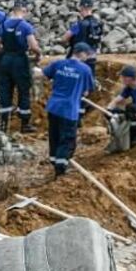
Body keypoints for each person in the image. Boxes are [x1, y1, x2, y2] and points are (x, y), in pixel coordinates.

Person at [40, 43, 96, 177]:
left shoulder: (59, 63)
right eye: (87, 55)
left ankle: (54, 160)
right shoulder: (85, 69)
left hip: (53, 107)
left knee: (54, 136)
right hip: (69, 109)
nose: (87, 58)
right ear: (81, 53)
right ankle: (61, 169)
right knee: (67, 139)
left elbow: (43, 75)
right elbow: (88, 91)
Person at [0, 0, 41, 134]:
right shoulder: (25, 26)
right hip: (20, 60)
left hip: (5, 60)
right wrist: (38, 55)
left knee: (5, 90)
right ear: (24, 11)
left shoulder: (2, 26)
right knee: (23, 90)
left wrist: (6, 54)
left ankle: (3, 123)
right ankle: (25, 124)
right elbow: (33, 46)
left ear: (13, 10)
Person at [64, 0, 104, 110]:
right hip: (91, 58)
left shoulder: (79, 25)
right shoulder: (98, 24)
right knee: (86, 86)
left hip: (78, 58)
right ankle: (84, 109)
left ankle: (75, 110)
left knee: (74, 85)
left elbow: (65, 38)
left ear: (82, 8)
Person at [107, 65, 136, 146]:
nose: (121, 78)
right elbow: (116, 100)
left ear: (130, 78)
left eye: (123, 76)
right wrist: (109, 109)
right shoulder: (129, 88)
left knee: (132, 108)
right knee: (117, 111)